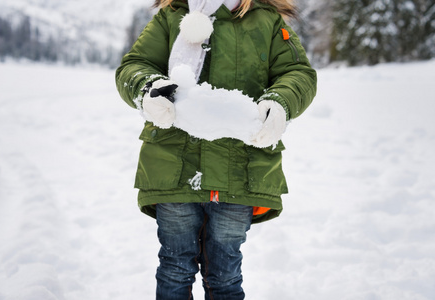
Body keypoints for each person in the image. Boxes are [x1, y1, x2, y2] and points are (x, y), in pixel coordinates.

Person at [115, 0, 317, 299]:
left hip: (240, 170)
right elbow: (134, 66)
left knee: (225, 274)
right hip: (174, 166)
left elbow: (298, 73)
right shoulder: (172, 17)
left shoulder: (267, 21)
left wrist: (280, 101)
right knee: (174, 267)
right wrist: (148, 87)